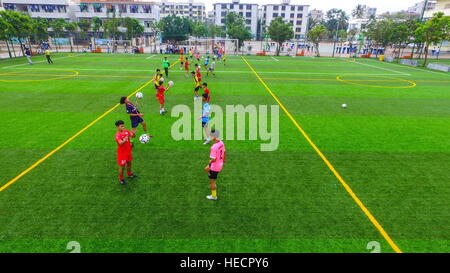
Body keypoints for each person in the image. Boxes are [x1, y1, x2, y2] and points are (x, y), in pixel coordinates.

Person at [204, 129, 226, 200]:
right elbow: (224, 152)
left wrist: (209, 164)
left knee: (212, 182)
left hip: (215, 166)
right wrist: (223, 161)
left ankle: (214, 196)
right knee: (206, 170)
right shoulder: (221, 143)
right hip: (220, 164)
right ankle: (210, 175)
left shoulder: (213, 147)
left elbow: (213, 159)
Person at [115, 120, 138, 185]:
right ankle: (121, 179)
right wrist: (125, 139)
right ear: (117, 127)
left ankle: (129, 174)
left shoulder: (126, 131)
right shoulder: (117, 135)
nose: (123, 127)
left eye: (123, 126)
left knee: (129, 164)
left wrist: (133, 133)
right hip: (122, 154)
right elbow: (120, 143)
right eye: (121, 126)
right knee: (122, 167)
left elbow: (132, 136)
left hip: (128, 151)